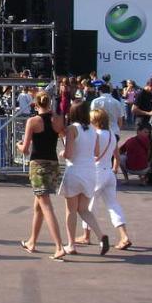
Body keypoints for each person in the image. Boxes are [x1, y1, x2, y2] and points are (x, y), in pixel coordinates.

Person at [18, 91, 66, 261]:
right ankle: (32, 241)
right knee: (38, 206)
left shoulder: (33, 121)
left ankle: (59, 246)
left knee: (45, 206)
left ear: (36, 104)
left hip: (38, 165)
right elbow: (64, 136)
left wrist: (18, 145)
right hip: (53, 164)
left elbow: (25, 149)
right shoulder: (58, 120)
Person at [77, 109, 133, 250]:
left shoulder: (95, 135)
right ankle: (124, 235)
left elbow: (89, 154)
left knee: (88, 205)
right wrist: (114, 169)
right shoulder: (112, 135)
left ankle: (86, 236)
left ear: (94, 121)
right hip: (108, 172)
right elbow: (117, 156)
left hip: (96, 173)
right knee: (113, 205)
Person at [59, 101, 109, 255]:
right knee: (83, 209)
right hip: (90, 172)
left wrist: (62, 153)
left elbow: (68, 154)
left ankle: (71, 244)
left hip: (75, 171)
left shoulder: (72, 129)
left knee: (71, 210)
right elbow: (96, 152)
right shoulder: (93, 130)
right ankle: (101, 236)